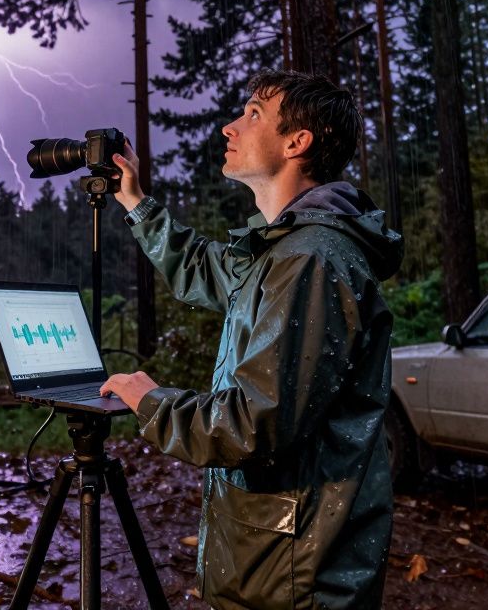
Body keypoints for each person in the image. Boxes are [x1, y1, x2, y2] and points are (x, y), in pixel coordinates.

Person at [100, 70, 404, 610]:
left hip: (294, 572)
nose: (229, 127)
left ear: (296, 142)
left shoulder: (311, 259)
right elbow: (201, 268)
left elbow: (252, 423)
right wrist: (136, 201)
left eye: (253, 114)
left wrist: (151, 401)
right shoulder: (286, 251)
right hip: (281, 554)